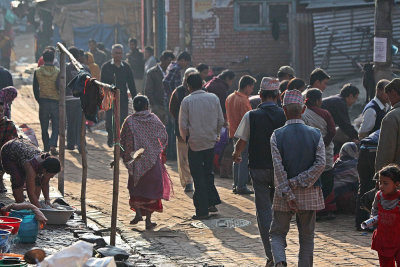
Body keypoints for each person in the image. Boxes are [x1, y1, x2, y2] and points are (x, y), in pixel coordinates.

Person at [233, 77, 285, 267]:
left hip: (259, 169)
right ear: (278, 96)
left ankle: (271, 256)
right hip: (281, 171)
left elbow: (242, 141)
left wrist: (236, 155)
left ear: (260, 96)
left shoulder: (251, 115)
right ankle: (280, 250)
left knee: (264, 212)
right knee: (280, 212)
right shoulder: (285, 115)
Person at [269, 89, 326, 267]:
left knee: (277, 233)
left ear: (284, 109)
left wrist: (288, 190)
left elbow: (278, 169)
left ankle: (280, 262)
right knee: (307, 238)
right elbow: (321, 164)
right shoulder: (316, 134)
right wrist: (300, 181)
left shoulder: (276, 135)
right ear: (302, 110)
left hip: (283, 194)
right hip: (309, 192)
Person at [120, 95, 171, 230]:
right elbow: (164, 137)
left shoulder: (129, 121)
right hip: (152, 162)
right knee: (151, 192)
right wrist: (159, 150)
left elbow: (122, 141)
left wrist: (123, 156)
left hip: (135, 162)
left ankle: (138, 214)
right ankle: (148, 220)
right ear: (146, 106)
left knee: (136, 189)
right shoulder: (154, 119)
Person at [179, 73, 223, 219]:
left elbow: (183, 125)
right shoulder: (213, 98)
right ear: (203, 84)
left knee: (198, 176)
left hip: (195, 143)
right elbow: (220, 120)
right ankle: (211, 202)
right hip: (210, 141)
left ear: (188, 86)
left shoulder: (187, 101)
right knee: (208, 173)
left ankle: (202, 211)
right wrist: (216, 135)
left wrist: (187, 139)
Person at [302, 88, 336, 220]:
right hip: (325, 152)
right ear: (317, 100)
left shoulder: (303, 113)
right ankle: (322, 209)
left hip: (309, 152)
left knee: (314, 181)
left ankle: (313, 209)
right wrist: (324, 145)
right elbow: (332, 131)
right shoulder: (325, 113)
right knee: (327, 182)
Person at [0, 138, 61, 208]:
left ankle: (31, 206)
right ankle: (20, 204)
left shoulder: (46, 162)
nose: (52, 177)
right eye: (51, 175)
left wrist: (47, 200)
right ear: (45, 170)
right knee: (18, 178)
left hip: (23, 150)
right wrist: (40, 210)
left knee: (38, 181)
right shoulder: (31, 168)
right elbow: (30, 193)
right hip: (9, 151)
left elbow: (45, 183)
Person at [101, 44, 137, 148]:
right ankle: (110, 136)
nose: (118, 55)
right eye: (116, 53)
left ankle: (120, 140)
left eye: (120, 53)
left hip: (123, 99)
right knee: (109, 121)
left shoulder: (126, 67)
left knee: (122, 120)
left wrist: (135, 99)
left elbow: (131, 84)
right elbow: (102, 83)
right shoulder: (106, 66)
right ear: (112, 54)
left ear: (123, 54)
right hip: (109, 98)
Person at [226, 75, 256, 195]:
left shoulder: (230, 97)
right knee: (243, 159)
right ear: (247, 86)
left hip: (233, 131)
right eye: (252, 87)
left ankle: (236, 184)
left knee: (236, 158)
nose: (252, 90)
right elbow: (249, 119)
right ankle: (241, 186)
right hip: (243, 133)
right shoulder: (243, 100)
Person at [169, 68, 198, 192]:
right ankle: (188, 182)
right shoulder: (178, 92)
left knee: (196, 156)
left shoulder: (201, 92)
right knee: (183, 157)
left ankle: (196, 179)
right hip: (182, 131)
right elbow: (173, 110)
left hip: (197, 131)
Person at [370, 164, 400, 266]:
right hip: (383, 238)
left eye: (385, 183)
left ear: (396, 184)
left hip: (398, 239)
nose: (381, 186)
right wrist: (373, 219)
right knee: (385, 263)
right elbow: (374, 209)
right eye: (379, 182)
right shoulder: (378, 196)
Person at [33, 49, 60, 155]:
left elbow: (35, 88)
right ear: (53, 59)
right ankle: (53, 144)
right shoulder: (58, 71)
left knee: (44, 126)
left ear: (43, 59)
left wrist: (39, 100)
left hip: (43, 101)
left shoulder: (37, 71)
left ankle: (46, 147)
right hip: (55, 101)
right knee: (55, 125)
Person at [322, 83, 359, 153]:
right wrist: (356, 138)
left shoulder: (338, 100)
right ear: (351, 96)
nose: (355, 101)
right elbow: (345, 124)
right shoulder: (340, 103)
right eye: (356, 98)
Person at [65, 47, 90, 151]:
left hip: (69, 99)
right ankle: (81, 146)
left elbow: (61, 83)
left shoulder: (66, 68)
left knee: (70, 122)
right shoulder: (85, 68)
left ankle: (71, 144)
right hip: (81, 99)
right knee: (80, 123)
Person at [356, 130, 380, 229]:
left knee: (363, 186)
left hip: (363, 149)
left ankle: (360, 223)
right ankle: (371, 224)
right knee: (377, 187)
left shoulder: (380, 129)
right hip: (375, 150)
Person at [144, 50, 175, 125]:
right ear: (162, 60)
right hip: (158, 105)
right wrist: (155, 106)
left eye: (172, 62)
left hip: (170, 105)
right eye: (169, 61)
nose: (170, 64)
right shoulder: (152, 72)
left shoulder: (172, 72)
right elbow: (148, 91)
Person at [376, 78, 400, 171]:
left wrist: (380, 177)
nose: (389, 101)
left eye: (389, 97)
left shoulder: (392, 117)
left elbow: (386, 152)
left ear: (393, 92)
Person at [331, 142, 359, 213]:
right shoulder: (355, 163)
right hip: (346, 195)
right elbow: (357, 178)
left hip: (333, 197)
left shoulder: (336, 162)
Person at [0, 101, 18, 192]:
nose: (0, 113)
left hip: (3, 152)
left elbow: (13, 143)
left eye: (1, 111)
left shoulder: (9, 125)